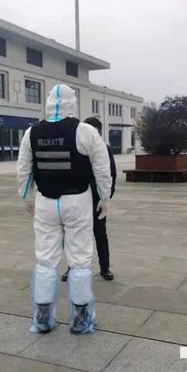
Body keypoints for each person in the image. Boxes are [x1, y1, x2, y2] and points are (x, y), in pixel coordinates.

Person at [17, 84, 112, 335]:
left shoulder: (32, 133)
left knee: (46, 259)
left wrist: (26, 197)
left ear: (48, 102)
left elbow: (23, 169)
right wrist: (104, 197)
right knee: (79, 259)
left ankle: (43, 318)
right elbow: (102, 168)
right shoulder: (85, 131)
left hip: (45, 201)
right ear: (73, 103)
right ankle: (81, 319)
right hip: (77, 200)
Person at [61, 117, 116, 282]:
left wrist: (106, 197)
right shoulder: (75, 148)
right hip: (77, 198)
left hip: (96, 199)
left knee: (100, 234)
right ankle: (72, 268)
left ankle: (105, 268)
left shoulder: (104, 148)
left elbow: (111, 173)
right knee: (74, 235)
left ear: (99, 132)